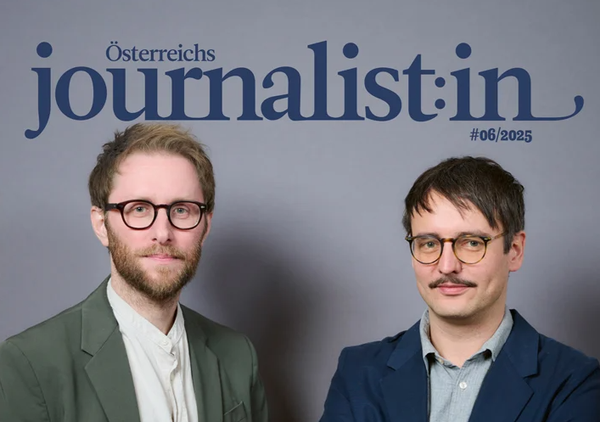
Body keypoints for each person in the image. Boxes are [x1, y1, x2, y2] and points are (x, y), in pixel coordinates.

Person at [0, 123, 268, 422]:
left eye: (182, 210)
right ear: (102, 225)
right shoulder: (30, 362)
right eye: (139, 208)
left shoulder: (238, 355)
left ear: (205, 226)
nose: (163, 233)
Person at [319, 156, 600, 422]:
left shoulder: (574, 381)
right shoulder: (357, 372)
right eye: (429, 243)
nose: (447, 266)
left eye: (472, 243)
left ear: (514, 251)